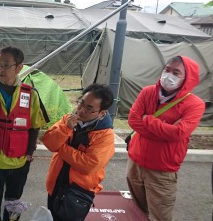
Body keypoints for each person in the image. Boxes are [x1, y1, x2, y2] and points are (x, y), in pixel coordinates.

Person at [0, 46, 48, 221]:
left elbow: (35, 126)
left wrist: (29, 154)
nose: (0, 70)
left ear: (19, 67)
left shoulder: (30, 94)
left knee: (13, 203)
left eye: (6, 65)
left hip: (20, 161)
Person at [127, 56, 205, 220]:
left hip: (162, 169)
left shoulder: (195, 104)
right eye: (167, 69)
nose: (169, 75)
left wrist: (148, 120)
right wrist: (165, 129)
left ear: (187, 78)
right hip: (135, 162)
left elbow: (179, 134)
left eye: (176, 72)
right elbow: (133, 120)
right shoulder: (148, 92)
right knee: (138, 211)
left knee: (159, 215)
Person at [43, 83, 115, 221]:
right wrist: (66, 128)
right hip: (55, 184)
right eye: (81, 103)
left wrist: (61, 147)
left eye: (89, 108)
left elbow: (88, 165)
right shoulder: (68, 119)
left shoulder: (105, 134)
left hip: (77, 193)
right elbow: (49, 143)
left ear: (102, 113)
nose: (81, 110)